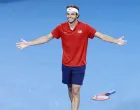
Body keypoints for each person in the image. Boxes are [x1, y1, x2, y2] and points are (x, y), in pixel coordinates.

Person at [16, 4, 127, 110]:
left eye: (72, 14)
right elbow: (46, 38)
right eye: (68, 14)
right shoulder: (61, 27)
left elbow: (102, 36)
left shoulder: (85, 27)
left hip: (79, 65)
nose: (69, 16)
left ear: (77, 15)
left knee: (76, 90)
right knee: (70, 89)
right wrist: (29, 43)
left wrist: (116, 41)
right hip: (66, 64)